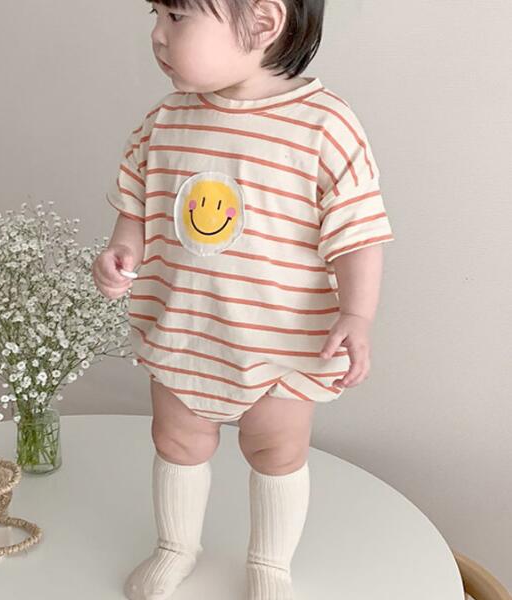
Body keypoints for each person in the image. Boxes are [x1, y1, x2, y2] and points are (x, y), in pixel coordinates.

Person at [92, 0, 395, 598]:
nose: (157, 35)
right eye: (155, 15)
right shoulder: (163, 121)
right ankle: (175, 546)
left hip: (281, 340)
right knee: (176, 441)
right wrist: (121, 253)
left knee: (276, 450)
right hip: (185, 327)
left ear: (262, 22)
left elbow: (358, 235)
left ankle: (269, 564)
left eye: (177, 18)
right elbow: (137, 207)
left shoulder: (325, 126)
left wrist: (357, 314)